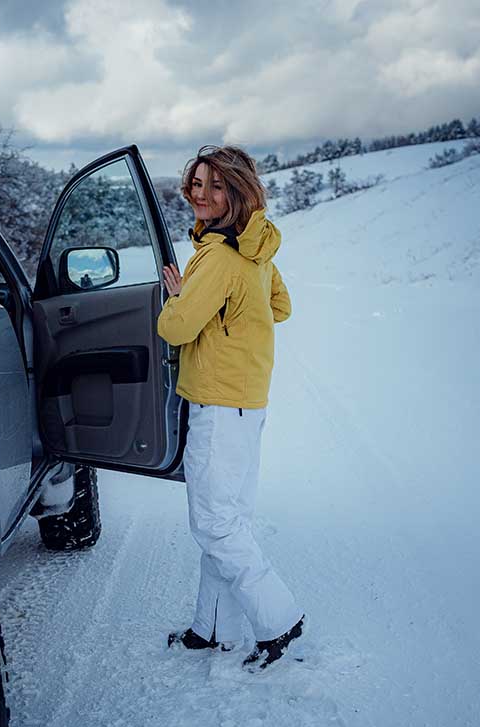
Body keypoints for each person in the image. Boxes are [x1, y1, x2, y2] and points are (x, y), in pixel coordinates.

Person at [158, 144, 304, 671]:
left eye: (216, 185)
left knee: (216, 524)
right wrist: (236, 311)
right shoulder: (257, 246)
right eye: (197, 184)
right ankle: (212, 628)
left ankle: (279, 620)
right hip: (247, 402)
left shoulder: (219, 256)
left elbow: (174, 328)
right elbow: (281, 307)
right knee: (228, 518)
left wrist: (183, 297)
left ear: (238, 189)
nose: (202, 195)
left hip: (219, 406)